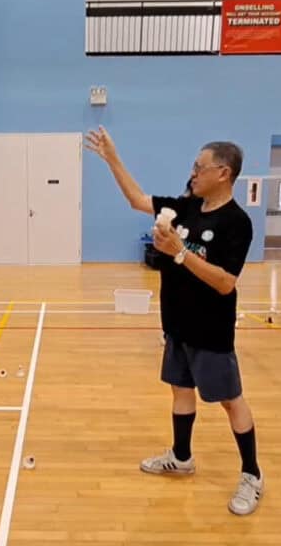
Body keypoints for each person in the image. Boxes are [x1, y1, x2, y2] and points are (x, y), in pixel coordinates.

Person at [84, 126, 261, 516]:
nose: (193, 173)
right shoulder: (185, 206)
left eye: (200, 167)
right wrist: (111, 157)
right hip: (176, 324)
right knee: (180, 392)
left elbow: (225, 283)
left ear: (223, 173)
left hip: (211, 330)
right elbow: (135, 199)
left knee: (231, 402)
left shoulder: (237, 223)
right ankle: (182, 458)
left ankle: (252, 474)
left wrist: (180, 252)